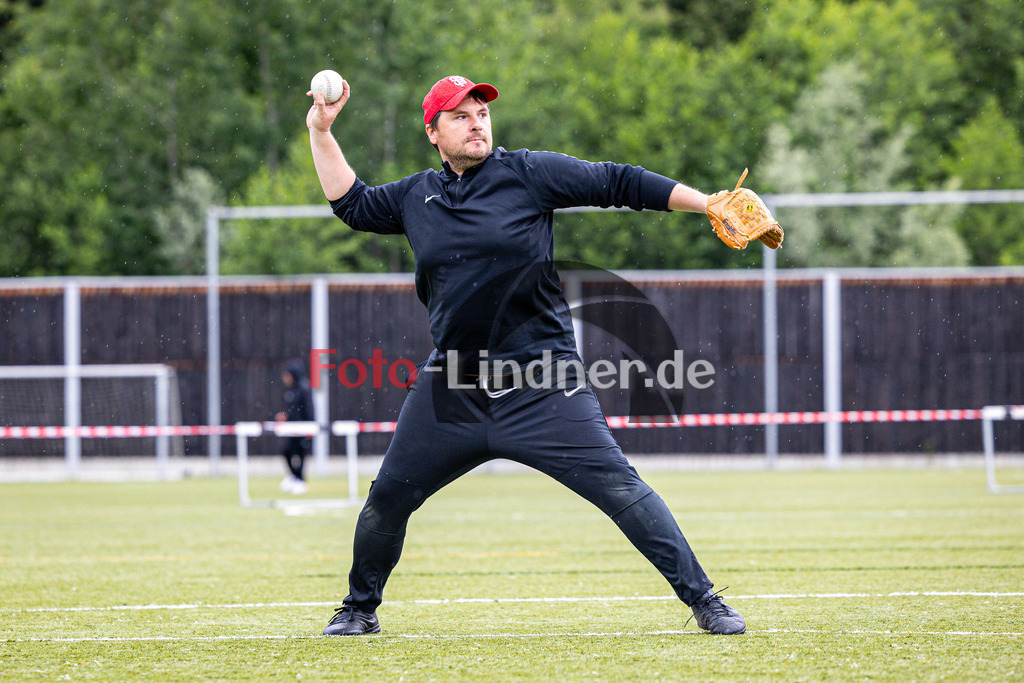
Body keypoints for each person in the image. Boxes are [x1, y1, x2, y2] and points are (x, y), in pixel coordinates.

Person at [306, 75, 747, 636]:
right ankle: (358, 609)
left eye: (482, 113)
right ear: (433, 132)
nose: (477, 123)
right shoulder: (416, 197)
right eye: (460, 116)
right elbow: (352, 204)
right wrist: (321, 130)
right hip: (453, 389)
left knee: (620, 488)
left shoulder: (528, 174)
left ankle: (705, 600)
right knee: (387, 499)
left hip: (544, 382)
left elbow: (620, 181)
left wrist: (706, 202)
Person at [275, 360, 314, 495]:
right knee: (287, 451)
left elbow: (309, 409)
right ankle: (294, 477)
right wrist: (285, 416)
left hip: (303, 428)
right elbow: (292, 411)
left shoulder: (304, 389)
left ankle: (300, 481)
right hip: (292, 429)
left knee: (301, 454)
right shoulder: (290, 391)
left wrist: (310, 427)